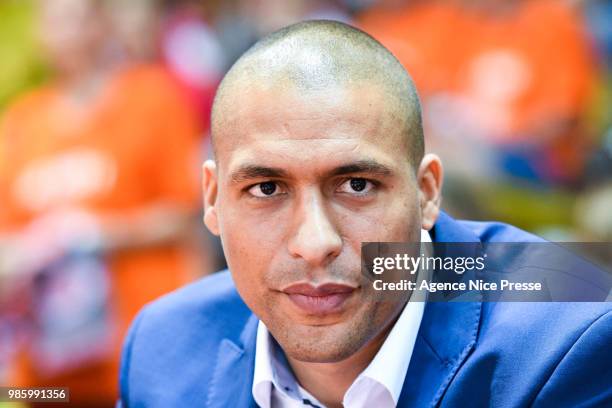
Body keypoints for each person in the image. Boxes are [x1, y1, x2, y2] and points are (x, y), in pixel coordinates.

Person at [118, 21, 611, 407]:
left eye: (357, 185)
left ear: (427, 192)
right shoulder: (163, 350)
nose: (314, 242)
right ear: (212, 200)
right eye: (266, 188)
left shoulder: (572, 338)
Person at [0, 0, 207, 405]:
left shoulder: (153, 97)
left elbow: (187, 214)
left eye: (78, 20)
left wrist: (99, 233)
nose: (67, 34)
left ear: (101, 25)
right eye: (55, 22)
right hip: (48, 373)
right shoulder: (22, 121)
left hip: (141, 355)